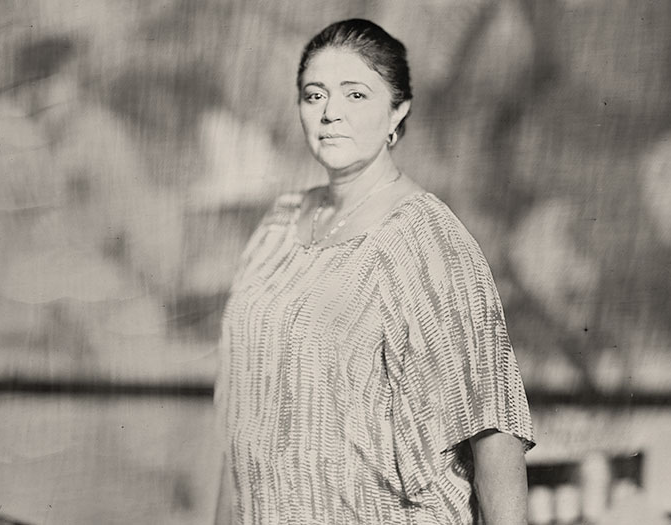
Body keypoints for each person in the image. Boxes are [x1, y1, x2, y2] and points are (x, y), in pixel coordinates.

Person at [215, 19, 535, 525]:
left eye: (356, 95)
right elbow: (245, 427)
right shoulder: (276, 225)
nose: (330, 114)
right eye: (313, 95)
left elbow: (494, 436)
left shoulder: (429, 240)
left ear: (398, 110)